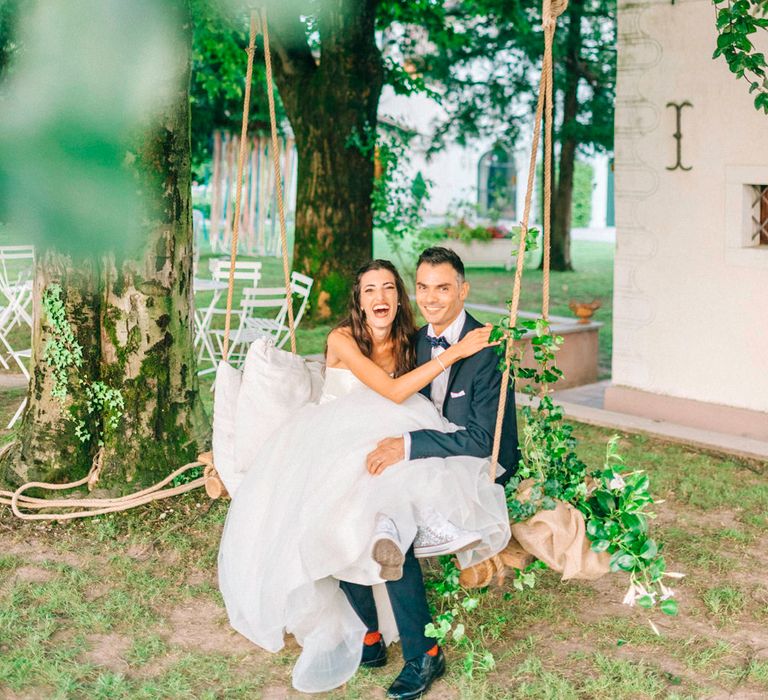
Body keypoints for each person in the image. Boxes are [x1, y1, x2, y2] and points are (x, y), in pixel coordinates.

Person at [218, 258, 510, 696]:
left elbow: (411, 398)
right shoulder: (343, 338)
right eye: (370, 289)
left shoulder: (408, 341)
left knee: (378, 517)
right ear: (358, 298)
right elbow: (392, 390)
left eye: (389, 288)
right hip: (331, 439)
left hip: (385, 436)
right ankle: (370, 635)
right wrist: (457, 351)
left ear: (398, 296)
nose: (380, 297)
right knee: (335, 517)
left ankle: (422, 651)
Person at [341, 247, 519, 700]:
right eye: (423, 288)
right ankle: (369, 635)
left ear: (463, 289)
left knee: (392, 518)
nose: (432, 298)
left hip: (472, 464)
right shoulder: (415, 340)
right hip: (425, 453)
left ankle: (424, 652)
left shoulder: (487, 347)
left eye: (444, 288)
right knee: (348, 502)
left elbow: (485, 441)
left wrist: (407, 446)